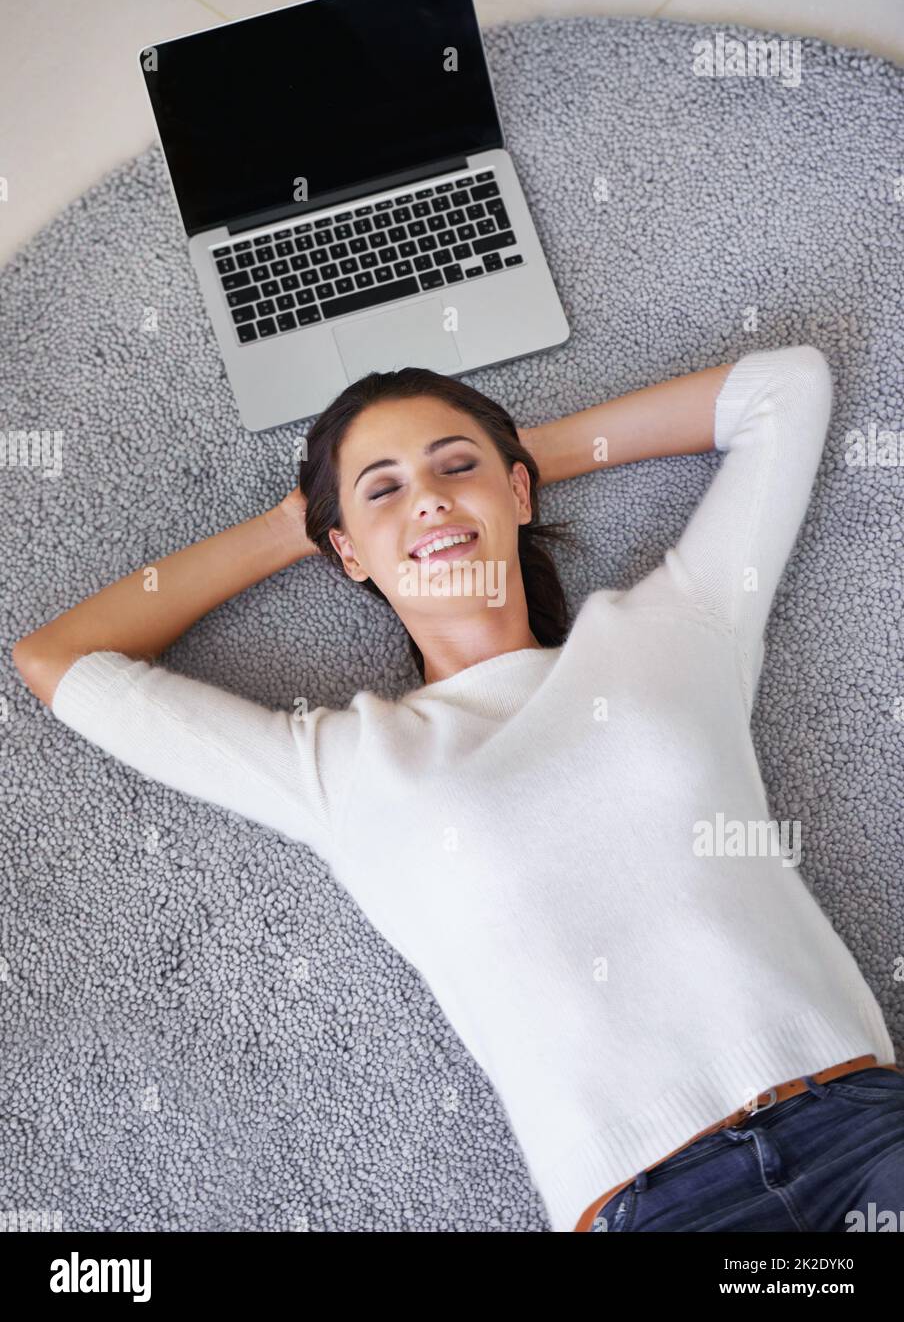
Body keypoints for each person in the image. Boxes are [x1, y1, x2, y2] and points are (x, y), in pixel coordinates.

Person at [13, 344, 902, 1233]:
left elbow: (787, 391)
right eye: (384, 487)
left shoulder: (676, 630)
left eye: (454, 466)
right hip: (650, 1203)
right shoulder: (344, 768)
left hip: (860, 1126)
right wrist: (301, 526)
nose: (430, 497)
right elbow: (58, 660)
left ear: (520, 494)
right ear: (346, 552)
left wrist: (515, 456)